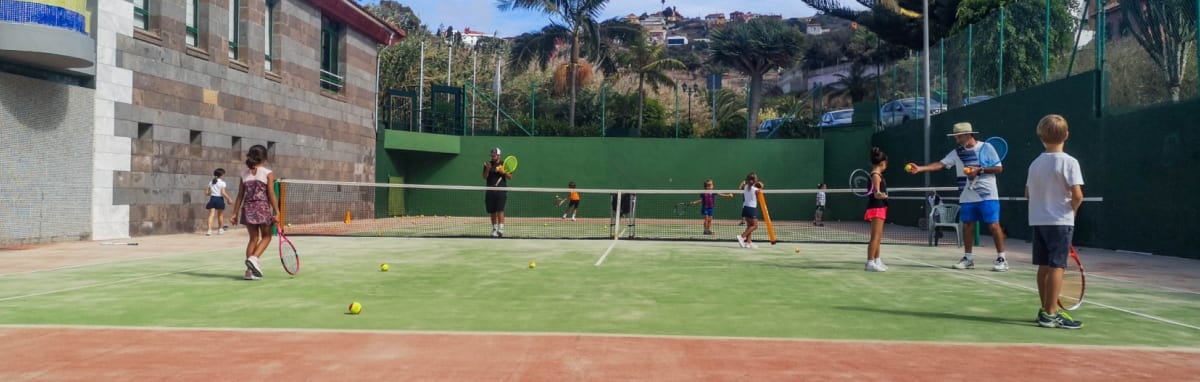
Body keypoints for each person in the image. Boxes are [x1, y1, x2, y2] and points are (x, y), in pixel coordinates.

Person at [907, 122, 1010, 271]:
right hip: (967, 195)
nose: (957, 140)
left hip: (988, 194)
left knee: (994, 226)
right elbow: (941, 164)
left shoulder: (986, 148)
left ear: (969, 135)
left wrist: (979, 170)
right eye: (956, 137)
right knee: (967, 226)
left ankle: (1002, 259)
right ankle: (968, 259)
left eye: (959, 137)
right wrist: (920, 168)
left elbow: (999, 168)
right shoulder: (957, 152)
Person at [1026, 114, 1084, 329]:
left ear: (1040, 136)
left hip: (1038, 221)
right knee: (1057, 266)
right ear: (1066, 135)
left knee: (1043, 266)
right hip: (1060, 221)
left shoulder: (1034, 164)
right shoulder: (1070, 162)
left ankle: (1045, 309)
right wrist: (1073, 212)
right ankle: (1051, 313)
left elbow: (1028, 193)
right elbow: (1077, 195)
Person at [229, 144, 278, 280]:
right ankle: (254, 258)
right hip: (262, 208)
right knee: (267, 237)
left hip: (248, 208)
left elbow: (240, 195)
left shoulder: (244, 174)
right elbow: (271, 193)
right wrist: (277, 212)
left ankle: (249, 272)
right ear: (264, 157)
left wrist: (234, 213)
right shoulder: (267, 173)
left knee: (253, 239)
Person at [864, 148, 890, 272]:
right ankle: (869, 262)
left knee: (878, 236)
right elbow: (876, 194)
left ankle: (877, 260)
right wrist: (883, 195)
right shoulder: (875, 175)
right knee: (875, 236)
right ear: (882, 163)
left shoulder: (878, 175)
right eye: (886, 164)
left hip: (880, 207)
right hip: (876, 207)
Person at [482, 147, 512, 237]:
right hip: (490, 190)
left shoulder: (504, 164)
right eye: (492, 155)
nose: (492, 157)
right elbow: (484, 177)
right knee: (492, 211)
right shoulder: (487, 164)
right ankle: (494, 229)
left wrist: (503, 172)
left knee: (500, 210)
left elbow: (510, 177)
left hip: (501, 190)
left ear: (498, 155)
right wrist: (487, 168)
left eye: (494, 155)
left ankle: (501, 229)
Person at [736, 173, 764, 249]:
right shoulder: (756, 190)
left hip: (745, 208)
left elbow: (741, 186)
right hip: (751, 209)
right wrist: (761, 187)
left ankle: (748, 243)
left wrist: (747, 182)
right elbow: (759, 196)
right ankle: (741, 237)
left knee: (749, 226)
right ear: (755, 180)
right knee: (755, 226)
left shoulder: (745, 187)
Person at [205, 168, 233, 236]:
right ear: (221, 175)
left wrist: (210, 192)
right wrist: (229, 198)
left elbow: (207, 193)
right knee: (220, 215)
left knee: (211, 215)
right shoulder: (222, 183)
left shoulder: (211, 182)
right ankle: (220, 230)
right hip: (219, 199)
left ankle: (209, 230)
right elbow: (223, 193)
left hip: (212, 198)